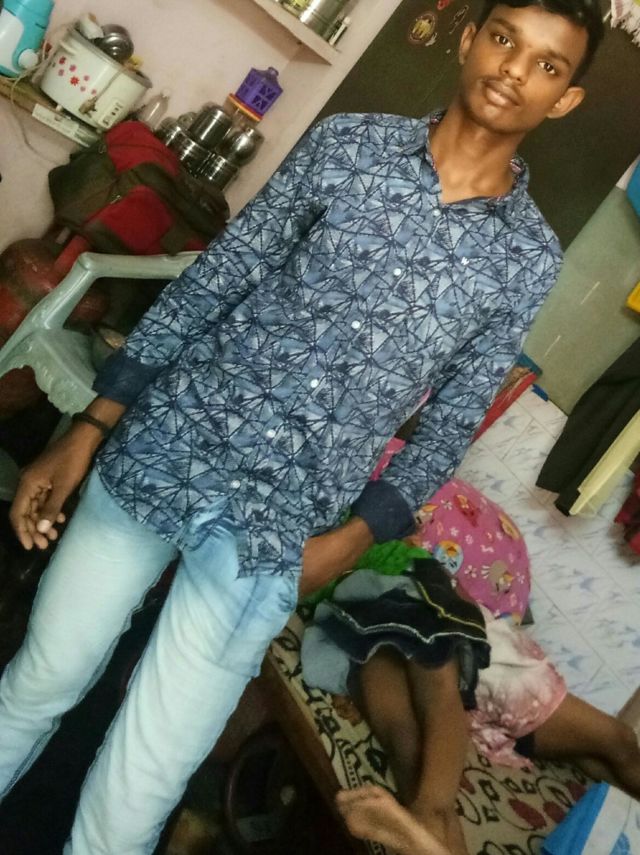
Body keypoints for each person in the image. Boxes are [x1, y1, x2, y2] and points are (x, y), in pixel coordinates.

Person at [0, 0, 603, 851]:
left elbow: (451, 422)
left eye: (547, 64)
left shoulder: (527, 257)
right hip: (169, 445)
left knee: (144, 778)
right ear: (470, 40)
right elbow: (219, 279)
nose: (514, 69)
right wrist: (91, 424)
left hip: (277, 530)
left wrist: (354, 540)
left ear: (565, 99)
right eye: (504, 39)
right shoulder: (348, 145)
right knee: (39, 681)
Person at [302, 553, 640, 855]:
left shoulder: (411, 566)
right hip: (394, 623)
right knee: (416, 741)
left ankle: (426, 825)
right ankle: (427, 820)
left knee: (609, 749)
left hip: (476, 663)